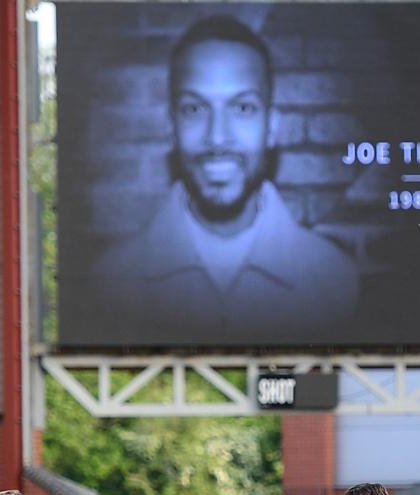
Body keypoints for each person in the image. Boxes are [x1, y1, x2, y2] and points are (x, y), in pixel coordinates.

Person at [95, 15, 358, 342]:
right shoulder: (111, 281)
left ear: (272, 127)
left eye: (243, 108)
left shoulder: (337, 282)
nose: (218, 137)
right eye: (194, 109)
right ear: (170, 126)